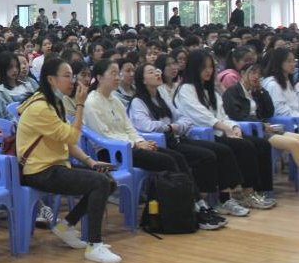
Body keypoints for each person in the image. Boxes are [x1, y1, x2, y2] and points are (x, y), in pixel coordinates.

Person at [83, 59, 221, 230]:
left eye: (118, 73)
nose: (117, 77)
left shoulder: (115, 100)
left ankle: (198, 203)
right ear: (99, 77)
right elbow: (105, 135)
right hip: (112, 152)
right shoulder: (92, 102)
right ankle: (189, 206)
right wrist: (136, 144)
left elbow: (129, 127)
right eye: (112, 73)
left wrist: (141, 141)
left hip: (130, 146)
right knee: (167, 161)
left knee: (177, 156)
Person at [16, 57, 121, 263]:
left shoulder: (53, 102)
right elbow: (72, 136)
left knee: (107, 180)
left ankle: (66, 226)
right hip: (39, 171)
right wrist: (80, 104)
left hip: (56, 165)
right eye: (66, 76)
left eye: (72, 76)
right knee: (98, 183)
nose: (72, 80)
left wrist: (90, 161)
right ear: (51, 79)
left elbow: (67, 141)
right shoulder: (40, 107)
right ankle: (94, 245)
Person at [172, 49, 275, 212]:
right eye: (204, 67)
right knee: (242, 147)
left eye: (211, 67)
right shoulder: (186, 89)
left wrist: (233, 127)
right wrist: (226, 128)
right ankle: (237, 195)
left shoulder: (210, 90)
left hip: (220, 130)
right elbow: (201, 115)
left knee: (261, 143)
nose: (208, 71)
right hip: (202, 133)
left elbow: (222, 114)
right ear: (194, 68)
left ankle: (260, 190)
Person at [129, 63, 230, 225]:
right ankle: (194, 204)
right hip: (162, 142)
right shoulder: (138, 102)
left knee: (210, 154)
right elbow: (146, 126)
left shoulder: (162, 96)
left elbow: (183, 118)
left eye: (157, 70)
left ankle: (203, 201)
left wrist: (175, 127)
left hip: (176, 138)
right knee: (180, 158)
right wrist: (170, 127)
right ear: (143, 80)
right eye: (151, 72)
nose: (157, 73)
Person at [225, 62, 299, 166]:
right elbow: (237, 115)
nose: (256, 76)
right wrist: (261, 124)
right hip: (251, 131)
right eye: (252, 72)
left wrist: (261, 91)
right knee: (294, 144)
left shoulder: (255, 92)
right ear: (242, 74)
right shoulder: (232, 92)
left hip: (264, 127)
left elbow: (269, 112)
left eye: (259, 74)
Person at [261, 47, 299, 118]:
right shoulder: (273, 84)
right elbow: (280, 110)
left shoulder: (289, 82)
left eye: (294, 61)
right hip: (288, 123)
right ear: (279, 62)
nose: (293, 64)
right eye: (289, 61)